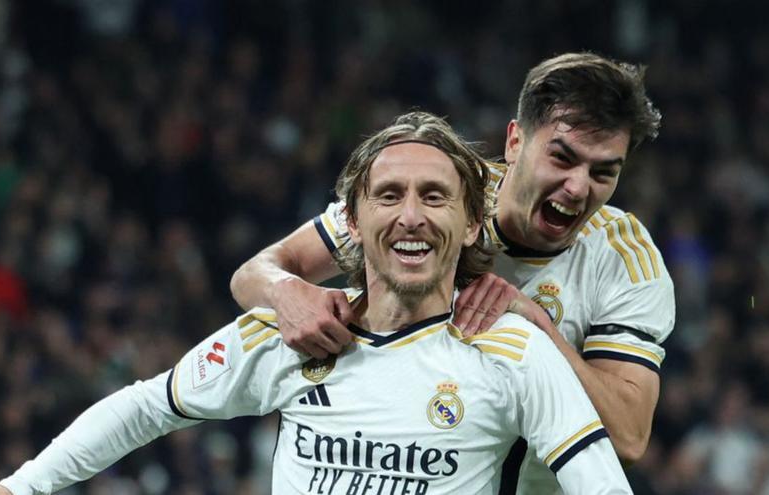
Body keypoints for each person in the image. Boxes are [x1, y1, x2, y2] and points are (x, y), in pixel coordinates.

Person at [0, 112, 632, 494]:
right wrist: (21, 487)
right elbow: (145, 406)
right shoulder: (294, 328)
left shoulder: (513, 350)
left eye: (434, 196)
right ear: (353, 221)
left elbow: (601, 482)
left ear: (471, 225)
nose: (411, 215)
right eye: (389, 195)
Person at [230, 52, 674, 492]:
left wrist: (538, 325)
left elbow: (629, 438)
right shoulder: (437, 197)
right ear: (515, 141)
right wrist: (289, 294)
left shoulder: (622, 256)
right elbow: (254, 275)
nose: (578, 187)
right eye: (562, 158)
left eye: (603, 172)